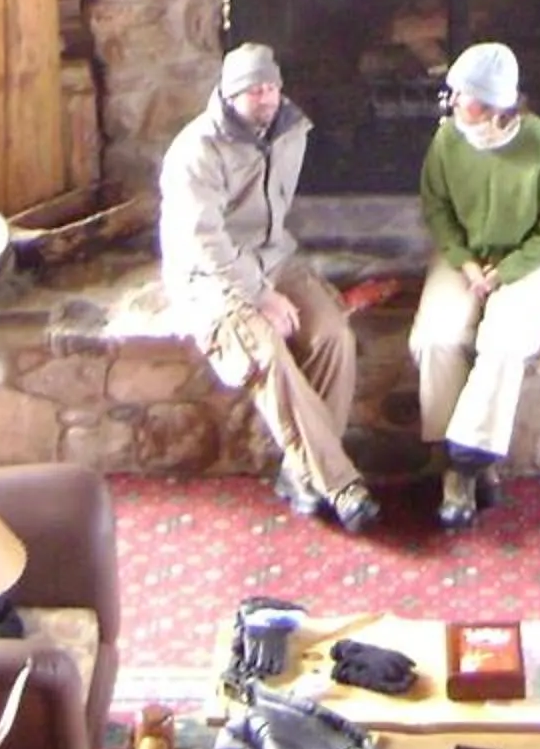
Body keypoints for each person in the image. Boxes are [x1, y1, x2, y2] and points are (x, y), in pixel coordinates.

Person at [158, 41, 379, 533]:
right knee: (266, 351)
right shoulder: (196, 151)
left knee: (331, 336)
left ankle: (301, 475)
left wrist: (272, 281)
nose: (267, 97)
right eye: (255, 89)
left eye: (273, 87)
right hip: (210, 276)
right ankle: (340, 483)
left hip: (274, 258)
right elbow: (203, 242)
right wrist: (258, 295)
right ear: (230, 94)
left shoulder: (290, 133)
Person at [410, 39, 540, 528]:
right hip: (465, 259)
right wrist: (464, 264)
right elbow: (435, 208)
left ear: (492, 102)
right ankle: (454, 461)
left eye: (462, 93)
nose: (453, 100)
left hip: (530, 260)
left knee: (502, 341)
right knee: (436, 338)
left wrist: (507, 272)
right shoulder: (447, 140)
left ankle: (466, 464)